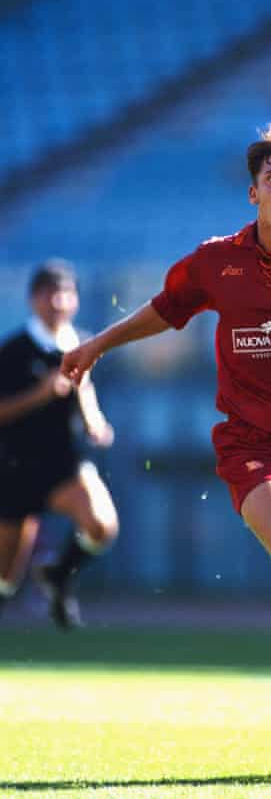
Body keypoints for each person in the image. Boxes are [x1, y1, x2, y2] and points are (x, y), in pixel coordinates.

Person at [60, 118, 271, 780]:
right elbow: (168, 307)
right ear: (253, 193)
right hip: (253, 443)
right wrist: (98, 343)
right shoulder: (218, 260)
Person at [0, 260, 118, 630]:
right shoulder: (14, 350)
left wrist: (95, 421)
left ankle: (58, 574)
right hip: (15, 467)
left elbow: (85, 388)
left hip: (65, 464)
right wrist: (40, 394)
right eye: (51, 293)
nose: (59, 301)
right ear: (34, 299)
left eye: (66, 294)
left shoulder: (79, 343)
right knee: (5, 577)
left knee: (101, 525)